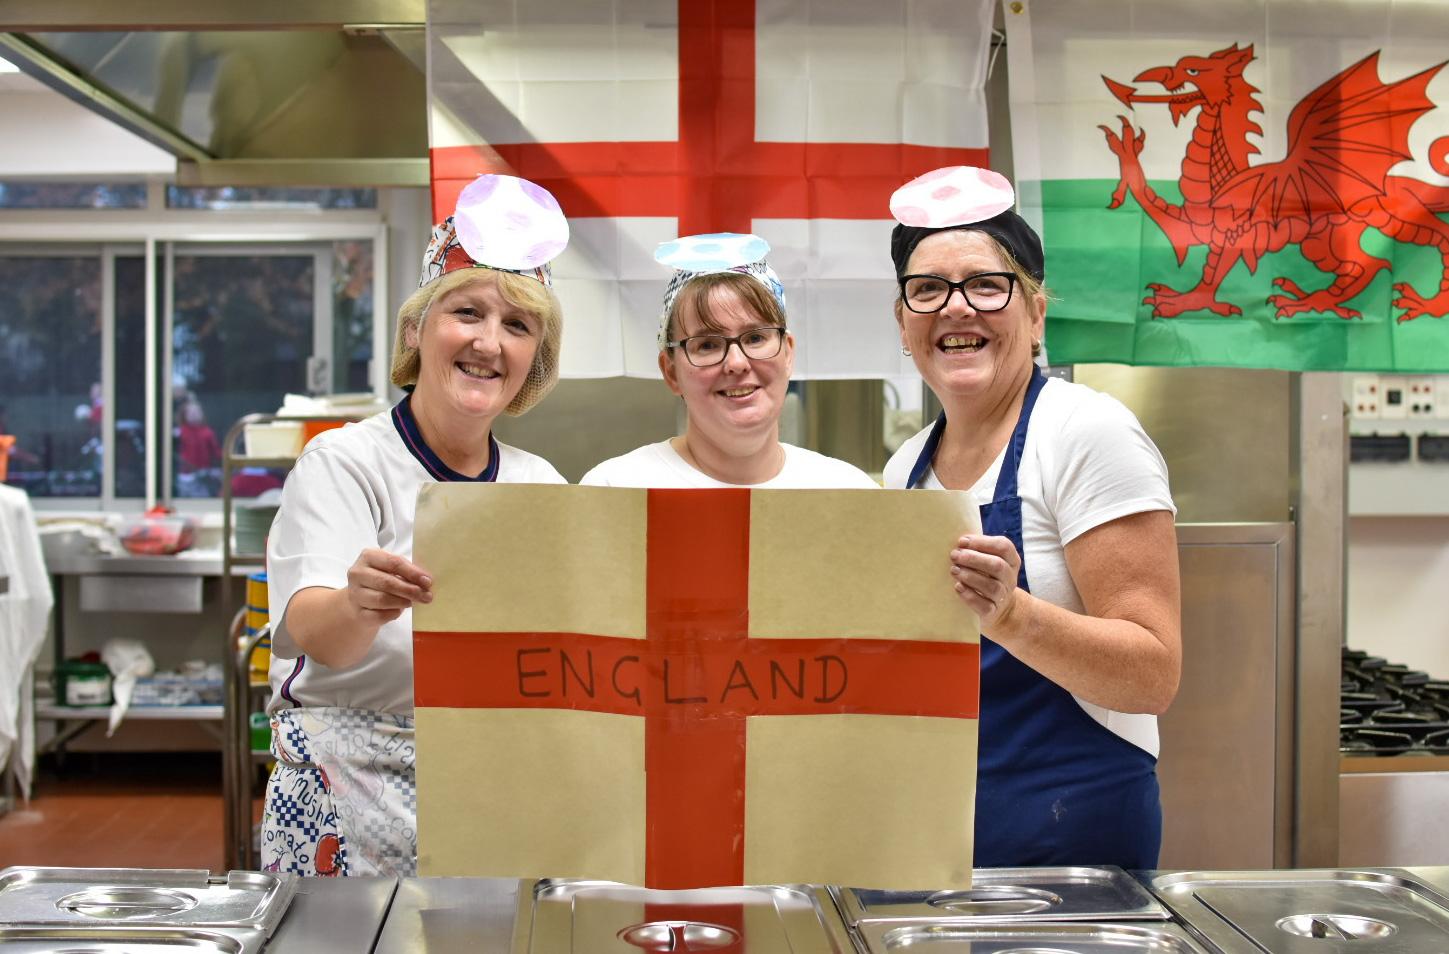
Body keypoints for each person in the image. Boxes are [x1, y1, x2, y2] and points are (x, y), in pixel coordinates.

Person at [261, 174, 571, 877]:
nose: (489, 343)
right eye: (467, 313)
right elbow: (318, 634)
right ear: (416, 330)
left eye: (517, 326)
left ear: (533, 361)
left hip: (495, 783)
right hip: (345, 780)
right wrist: (356, 603)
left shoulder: (540, 486)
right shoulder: (344, 461)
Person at [881, 166, 1181, 868]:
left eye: (987, 285)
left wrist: (1012, 616)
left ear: (1035, 313)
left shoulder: (1084, 433)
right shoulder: (907, 468)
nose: (956, 308)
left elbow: (1152, 675)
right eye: (926, 290)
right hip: (934, 836)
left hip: (1069, 834)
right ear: (902, 323)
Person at [582, 233, 877, 489]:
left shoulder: (847, 492)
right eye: (708, 345)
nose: (736, 362)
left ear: (788, 354)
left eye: (755, 338)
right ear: (671, 372)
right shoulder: (616, 488)